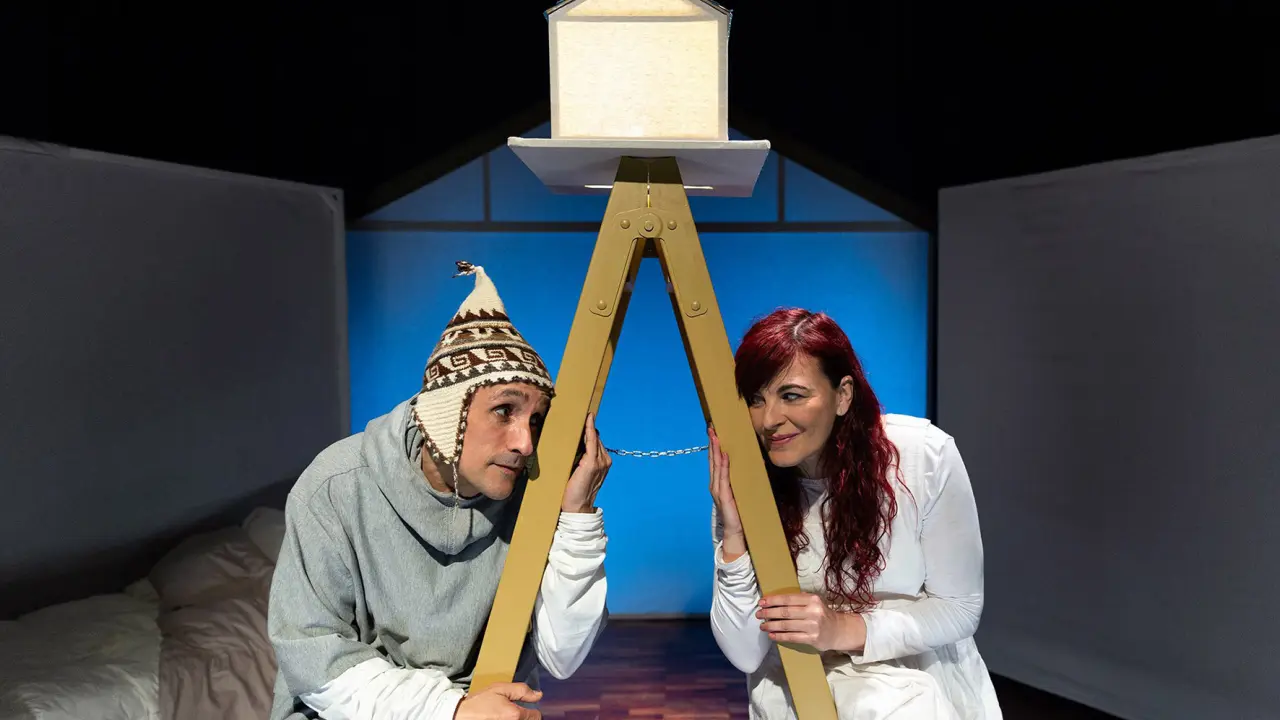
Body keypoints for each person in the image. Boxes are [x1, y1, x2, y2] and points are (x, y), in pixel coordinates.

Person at [267, 261, 612, 720]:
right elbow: (313, 656)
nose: (525, 443)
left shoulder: (534, 489)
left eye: (535, 419)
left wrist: (576, 516)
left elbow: (562, 658)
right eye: (504, 411)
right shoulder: (336, 485)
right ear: (446, 415)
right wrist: (451, 709)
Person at [707, 308, 1002, 720]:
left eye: (792, 395)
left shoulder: (922, 455)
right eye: (756, 399)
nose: (769, 420)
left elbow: (959, 608)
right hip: (801, 689)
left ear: (843, 395)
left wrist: (842, 629)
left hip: (919, 688)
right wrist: (735, 536)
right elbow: (744, 652)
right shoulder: (748, 482)